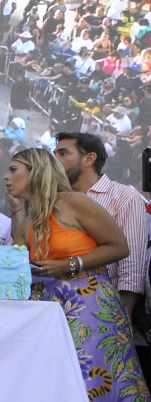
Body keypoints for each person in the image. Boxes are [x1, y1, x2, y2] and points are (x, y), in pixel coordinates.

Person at [5, 148, 148, 402]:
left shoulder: (76, 203)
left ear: (35, 172)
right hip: (48, 315)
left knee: (104, 392)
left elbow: (120, 247)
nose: (7, 176)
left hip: (90, 310)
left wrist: (72, 263)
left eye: (13, 169)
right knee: (60, 396)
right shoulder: (28, 215)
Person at [53, 133, 148, 314]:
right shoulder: (54, 199)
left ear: (89, 159)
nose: (55, 160)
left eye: (63, 153)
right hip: (53, 307)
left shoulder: (124, 197)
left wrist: (121, 321)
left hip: (101, 310)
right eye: (55, 153)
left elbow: (131, 269)